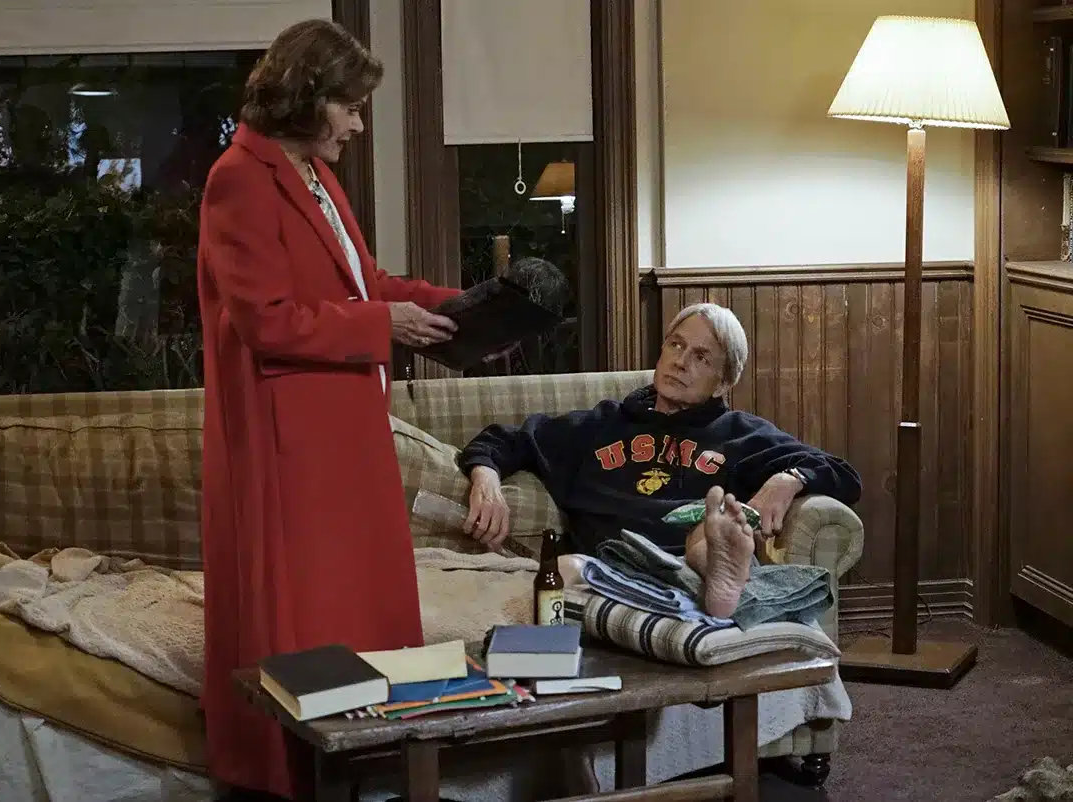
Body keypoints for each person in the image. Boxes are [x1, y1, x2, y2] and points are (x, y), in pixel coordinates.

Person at [196, 19, 461, 801]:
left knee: (361, 601)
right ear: (308, 97)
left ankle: (370, 761)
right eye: (349, 106)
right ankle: (291, 775)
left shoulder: (311, 171)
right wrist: (383, 326)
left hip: (343, 432)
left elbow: (362, 283)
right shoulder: (239, 178)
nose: (357, 124)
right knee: (305, 613)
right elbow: (267, 319)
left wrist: (462, 308)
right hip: (291, 444)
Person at [457, 302, 862, 620]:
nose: (681, 361)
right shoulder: (600, 424)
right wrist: (486, 481)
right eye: (676, 345)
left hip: (689, 557)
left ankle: (719, 572)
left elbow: (843, 474)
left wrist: (789, 479)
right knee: (568, 569)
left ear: (723, 382)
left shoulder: (741, 433)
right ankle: (712, 587)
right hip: (611, 563)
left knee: (706, 529)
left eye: (702, 357)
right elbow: (504, 439)